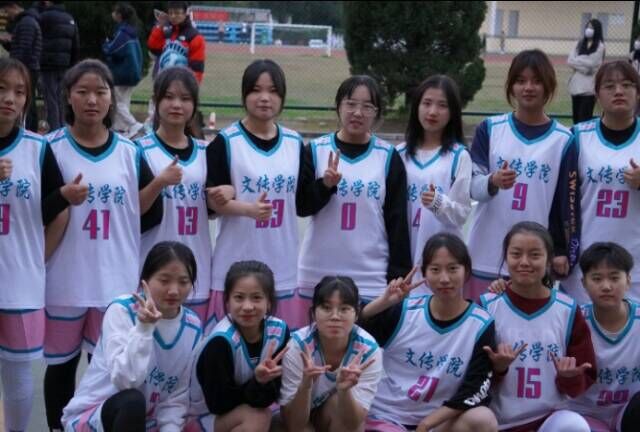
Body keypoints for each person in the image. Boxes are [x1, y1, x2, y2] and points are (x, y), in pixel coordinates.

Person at [42, 59, 170, 431]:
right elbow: (39, 210)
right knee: (61, 366)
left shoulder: (130, 152)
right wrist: (62, 198)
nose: (92, 100)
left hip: (114, 282)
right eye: (82, 92)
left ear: (112, 98)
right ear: (68, 96)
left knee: (108, 371)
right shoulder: (50, 148)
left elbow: (151, 214)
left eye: (100, 92)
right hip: (64, 280)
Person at [206, 59, 326, 331]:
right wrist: (242, 206)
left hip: (282, 269)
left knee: (280, 349)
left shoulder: (295, 143)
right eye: (256, 90)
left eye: (272, 91)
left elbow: (303, 203)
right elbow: (210, 204)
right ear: (244, 95)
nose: (264, 98)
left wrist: (326, 185)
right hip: (234, 267)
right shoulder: (226, 142)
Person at [0, 57, 82, 432]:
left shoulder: (37, 148)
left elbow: (58, 209)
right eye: (2, 89)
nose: (10, 99)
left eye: (20, 92)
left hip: (19, 281)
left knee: (17, 372)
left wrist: (38, 257)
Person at [466, 49, 578, 302]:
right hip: (484, 253)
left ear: (549, 86)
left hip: (534, 260)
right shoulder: (490, 129)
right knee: (481, 323)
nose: (528, 87)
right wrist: (493, 181)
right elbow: (473, 187)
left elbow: (564, 203)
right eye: (520, 80)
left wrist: (560, 249)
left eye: (536, 81)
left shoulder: (564, 140)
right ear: (511, 86)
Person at [360, 234, 497, 432]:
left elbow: (475, 388)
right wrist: (384, 302)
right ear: (424, 274)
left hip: (437, 422)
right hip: (388, 416)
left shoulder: (481, 324)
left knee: (483, 419)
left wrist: (426, 424)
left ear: (467, 271)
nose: (444, 278)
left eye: (453, 269)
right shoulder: (404, 310)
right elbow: (355, 334)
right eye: (435, 270)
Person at [61, 241, 202, 431]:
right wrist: (144, 329)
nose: (174, 290)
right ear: (145, 281)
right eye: (164, 280)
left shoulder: (193, 327)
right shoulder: (122, 310)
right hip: (97, 417)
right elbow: (125, 380)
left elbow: (175, 398)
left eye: (183, 282)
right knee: (132, 401)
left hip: (147, 423)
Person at [297, 75, 412, 305]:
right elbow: (301, 206)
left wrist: (398, 273)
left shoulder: (388, 157)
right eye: (350, 104)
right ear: (338, 106)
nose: (358, 113)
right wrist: (325, 186)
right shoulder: (315, 150)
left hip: (371, 277)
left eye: (367, 106)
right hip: (317, 273)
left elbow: (398, 221)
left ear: (377, 112)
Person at [137, 66, 233, 324]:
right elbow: (132, 211)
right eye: (169, 97)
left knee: (192, 343)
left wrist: (229, 191)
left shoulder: (207, 151)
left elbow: (215, 206)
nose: (176, 105)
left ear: (194, 105)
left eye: (185, 98)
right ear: (156, 102)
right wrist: (159, 182)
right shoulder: (139, 150)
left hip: (195, 268)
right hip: (154, 270)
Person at [480, 222, 596, 431]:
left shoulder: (568, 309)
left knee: (574, 425)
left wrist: (570, 378)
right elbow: (470, 377)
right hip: (496, 421)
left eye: (534, 255)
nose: (524, 262)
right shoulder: (487, 306)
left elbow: (584, 377)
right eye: (516, 254)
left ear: (549, 260)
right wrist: (498, 369)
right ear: (505, 258)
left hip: (549, 419)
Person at [562, 61, 640, 304]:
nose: (619, 91)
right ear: (597, 95)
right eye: (609, 86)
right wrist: (560, 249)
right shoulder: (577, 136)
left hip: (635, 262)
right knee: (582, 324)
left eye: (627, 85)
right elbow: (560, 199)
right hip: (585, 259)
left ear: (638, 93)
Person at [185, 261, 289, 432]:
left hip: (248, 408)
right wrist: (257, 382)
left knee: (284, 423)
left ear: (269, 301)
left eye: (256, 298)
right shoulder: (220, 342)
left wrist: (262, 384)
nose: (247, 307)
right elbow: (218, 404)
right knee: (258, 418)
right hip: (205, 417)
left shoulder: (279, 331)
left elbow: (274, 393)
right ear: (227, 301)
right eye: (239, 297)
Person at [279, 276, 383, 431]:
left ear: (356, 314)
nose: (335, 316)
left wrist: (345, 391)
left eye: (344, 309)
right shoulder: (298, 346)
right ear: (313, 313)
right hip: (300, 417)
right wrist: (305, 386)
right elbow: (294, 424)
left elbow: (353, 424)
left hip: (333, 414)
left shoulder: (368, 351)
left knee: (342, 407)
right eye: (327, 308)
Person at [398, 75, 472, 288]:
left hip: (441, 262)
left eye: (442, 105)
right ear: (416, 106)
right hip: (403, 255)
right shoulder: (399, 154)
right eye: (427, 103)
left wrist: (438, 203)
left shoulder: (459, 156)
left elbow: (461, 213)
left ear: (453, 112)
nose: (432, 112)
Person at [566, 243, 640, 432]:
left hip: (628, 413)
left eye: (615, 278)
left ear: (628, 280)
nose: (606, 286)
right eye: (597, 279)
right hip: (583, 414)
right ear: (583, 283)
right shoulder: (571, 319)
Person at [103, 2, 144, 139]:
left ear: (119, 15)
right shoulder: (133, 32)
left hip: (122, 73)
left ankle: (134, 124)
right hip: (132, 73)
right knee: (124, 101)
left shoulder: (123, 33)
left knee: (116, 101)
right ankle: (122, 130)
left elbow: (112, 50)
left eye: (115, 12)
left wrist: (106, 44)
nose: (113, 14)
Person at [38, 0, 79, 131]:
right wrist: (72, 64)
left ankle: (55, 128)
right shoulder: (69, 18)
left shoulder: (44, 17)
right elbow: (75, 43)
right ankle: (63, 126)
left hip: (48, 64)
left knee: (50, 98)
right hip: (65, 64)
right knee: (61, 98)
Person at [0, 1, 41, 132]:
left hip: (26, 68)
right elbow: (21, 46)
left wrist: (15, 69)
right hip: (28, 67)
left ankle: (27, 129)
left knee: (28, 102)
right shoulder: (26, 22)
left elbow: (25, 49)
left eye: (6, 11)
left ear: (13, 7)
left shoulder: (26, 23)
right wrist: (7, 42)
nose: (7, 15)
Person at [568, 18, 605, 125]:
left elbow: (592, 64)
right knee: (576, 118)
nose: (588, 29)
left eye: (591, 28)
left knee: (584, 118)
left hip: (589, 89)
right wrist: (584, 65)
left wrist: (578, 61)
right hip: (575, 87)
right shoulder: (579, 43)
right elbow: (570, 60)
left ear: (597, 30)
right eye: (587, 27)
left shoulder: (600, 46)